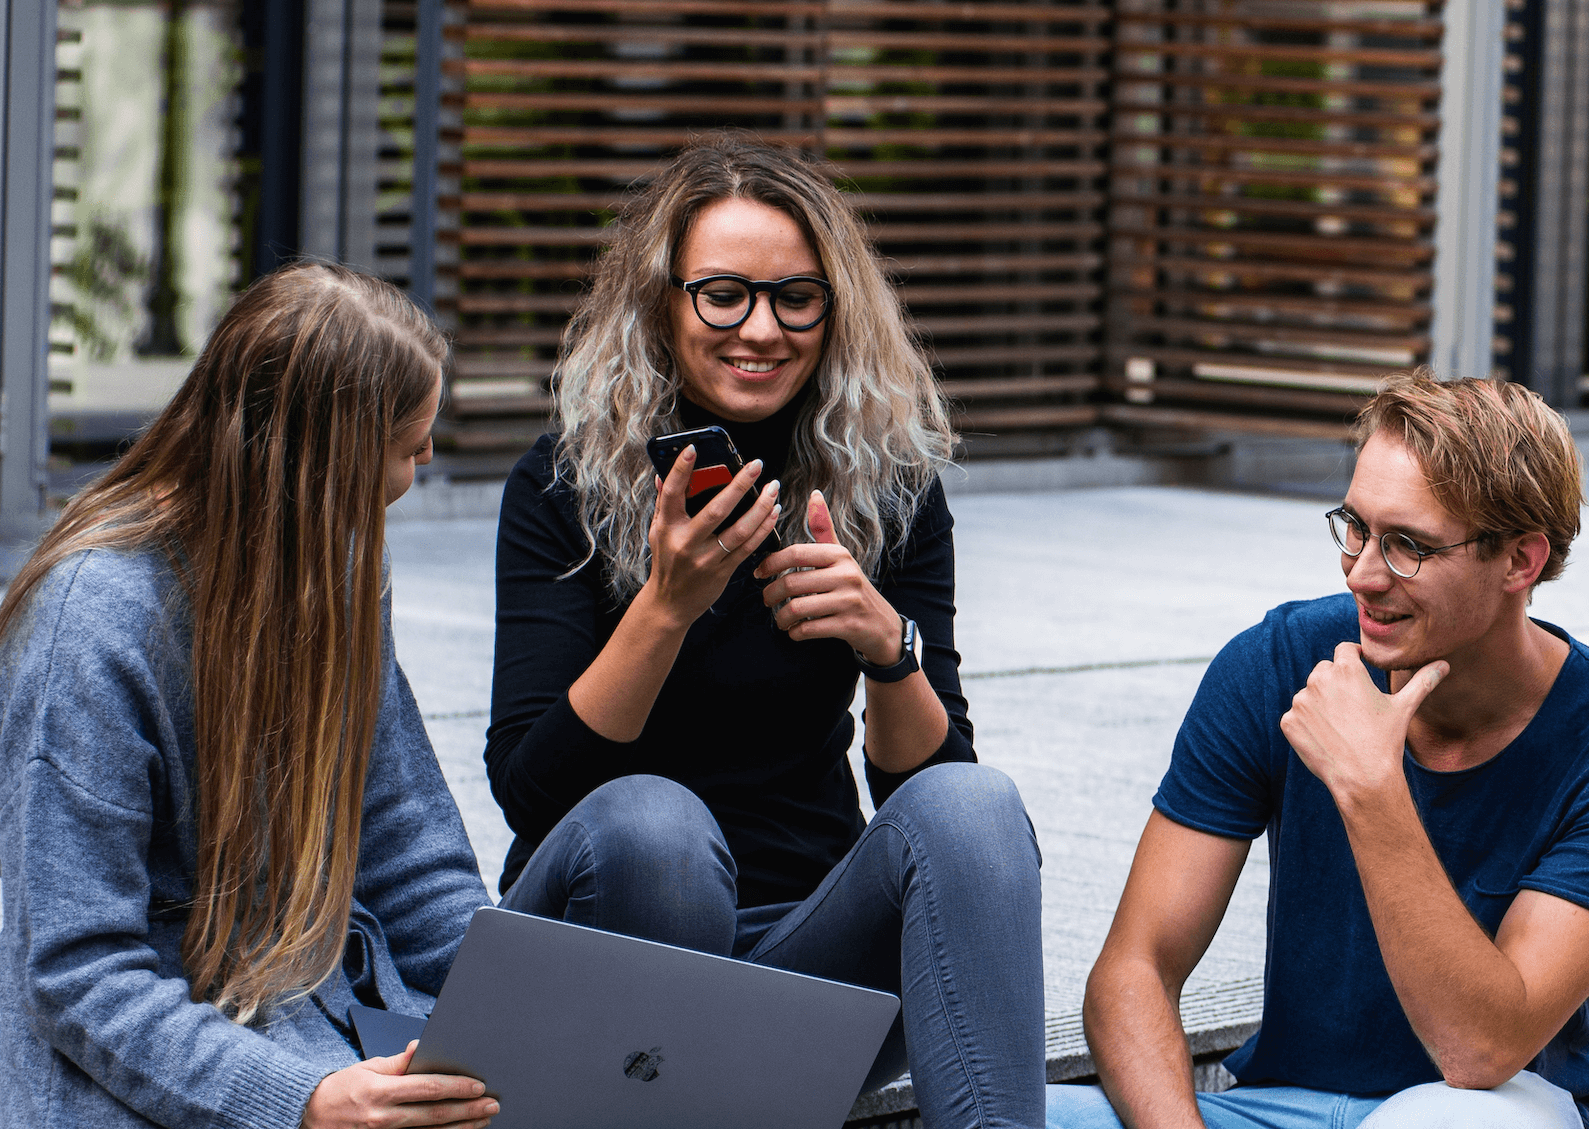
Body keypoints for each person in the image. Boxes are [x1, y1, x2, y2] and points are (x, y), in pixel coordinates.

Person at [482, 134, 1044, 1129]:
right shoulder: (563, 483)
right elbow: (529, 788)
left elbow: (929, 792)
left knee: (977, 808)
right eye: (723, 293)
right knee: (655, 824)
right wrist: (665, 606)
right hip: (599, 958)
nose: (760, 328)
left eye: (795, 297)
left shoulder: (886, 486)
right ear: (664, 300)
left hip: (801, 958)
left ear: (834, 312)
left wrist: (884, 643)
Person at [1049, 371, 1589, 1129]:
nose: (1361, 572)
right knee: (1010, 1114)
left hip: (1488, 1112)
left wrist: (1370, 784)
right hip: (1278, 1108)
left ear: (1521, 561)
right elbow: (1134, 969)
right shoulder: (1276, 662)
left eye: (1407, 546)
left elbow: (1481, 1049)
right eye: (1355, 527)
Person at [0, 262, 498, 1129]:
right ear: (320, 463)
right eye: (409, 443)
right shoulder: (91, 623)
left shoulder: (336, 567)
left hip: (319, 1014)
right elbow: (79, 970)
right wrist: (300, 1102)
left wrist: (510, 1016)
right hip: (164, 1067)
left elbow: (408, 846)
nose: (426, 458)